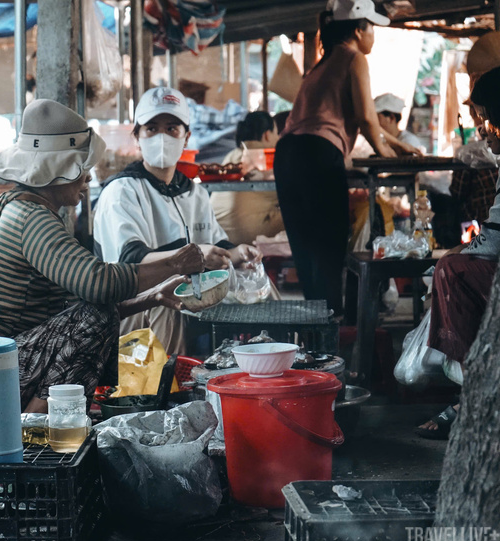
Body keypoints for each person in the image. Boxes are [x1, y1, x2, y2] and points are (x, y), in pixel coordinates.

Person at [0, 99, 204, 413]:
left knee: (97, 315)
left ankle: (34, 421)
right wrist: (174, 264)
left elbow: (79, 306)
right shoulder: (30, 218)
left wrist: (154, 297)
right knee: (98, 318)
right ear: (58, 172)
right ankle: (31, 425)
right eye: (82, 168)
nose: (88, 179)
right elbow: (98, 285)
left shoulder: (31, 211)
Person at [273, 0, 421, 317]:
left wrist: (396, 144)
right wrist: (389, 156)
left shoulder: (323, 64)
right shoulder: (354, 58)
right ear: (358, 29)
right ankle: (331, 336)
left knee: (306, 251)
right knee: (329, 252)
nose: (373, 38)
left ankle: (315, 334)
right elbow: (368, 119)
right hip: (316, 156)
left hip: (288, 156)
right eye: (372, 29)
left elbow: (357, 115)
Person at [93, 87, 261, 355]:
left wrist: (238, 253)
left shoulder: (193, 192)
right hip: (128, 310)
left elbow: (215, 244)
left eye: (172, 128)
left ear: (186, 138)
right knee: (165, 302)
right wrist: (194, 257)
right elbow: (130, 259)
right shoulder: (122, 191)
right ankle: (153, 391)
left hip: (183, 296)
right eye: (151, 128)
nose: (162, 137)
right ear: (137, 136)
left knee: (253, 281)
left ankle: (265, 370)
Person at [415, 61, 500, 439]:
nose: (479, 128)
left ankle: (472, 393)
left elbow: (497, 237)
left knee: (450, 271)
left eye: (483, 117)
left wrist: (453, 255)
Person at [211, 111, 285, 246]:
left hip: (218, 234)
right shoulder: (267, 159)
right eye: (276, 133)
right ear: (267, 135)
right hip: (247, 235)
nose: (279, 138)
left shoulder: (231, 155)